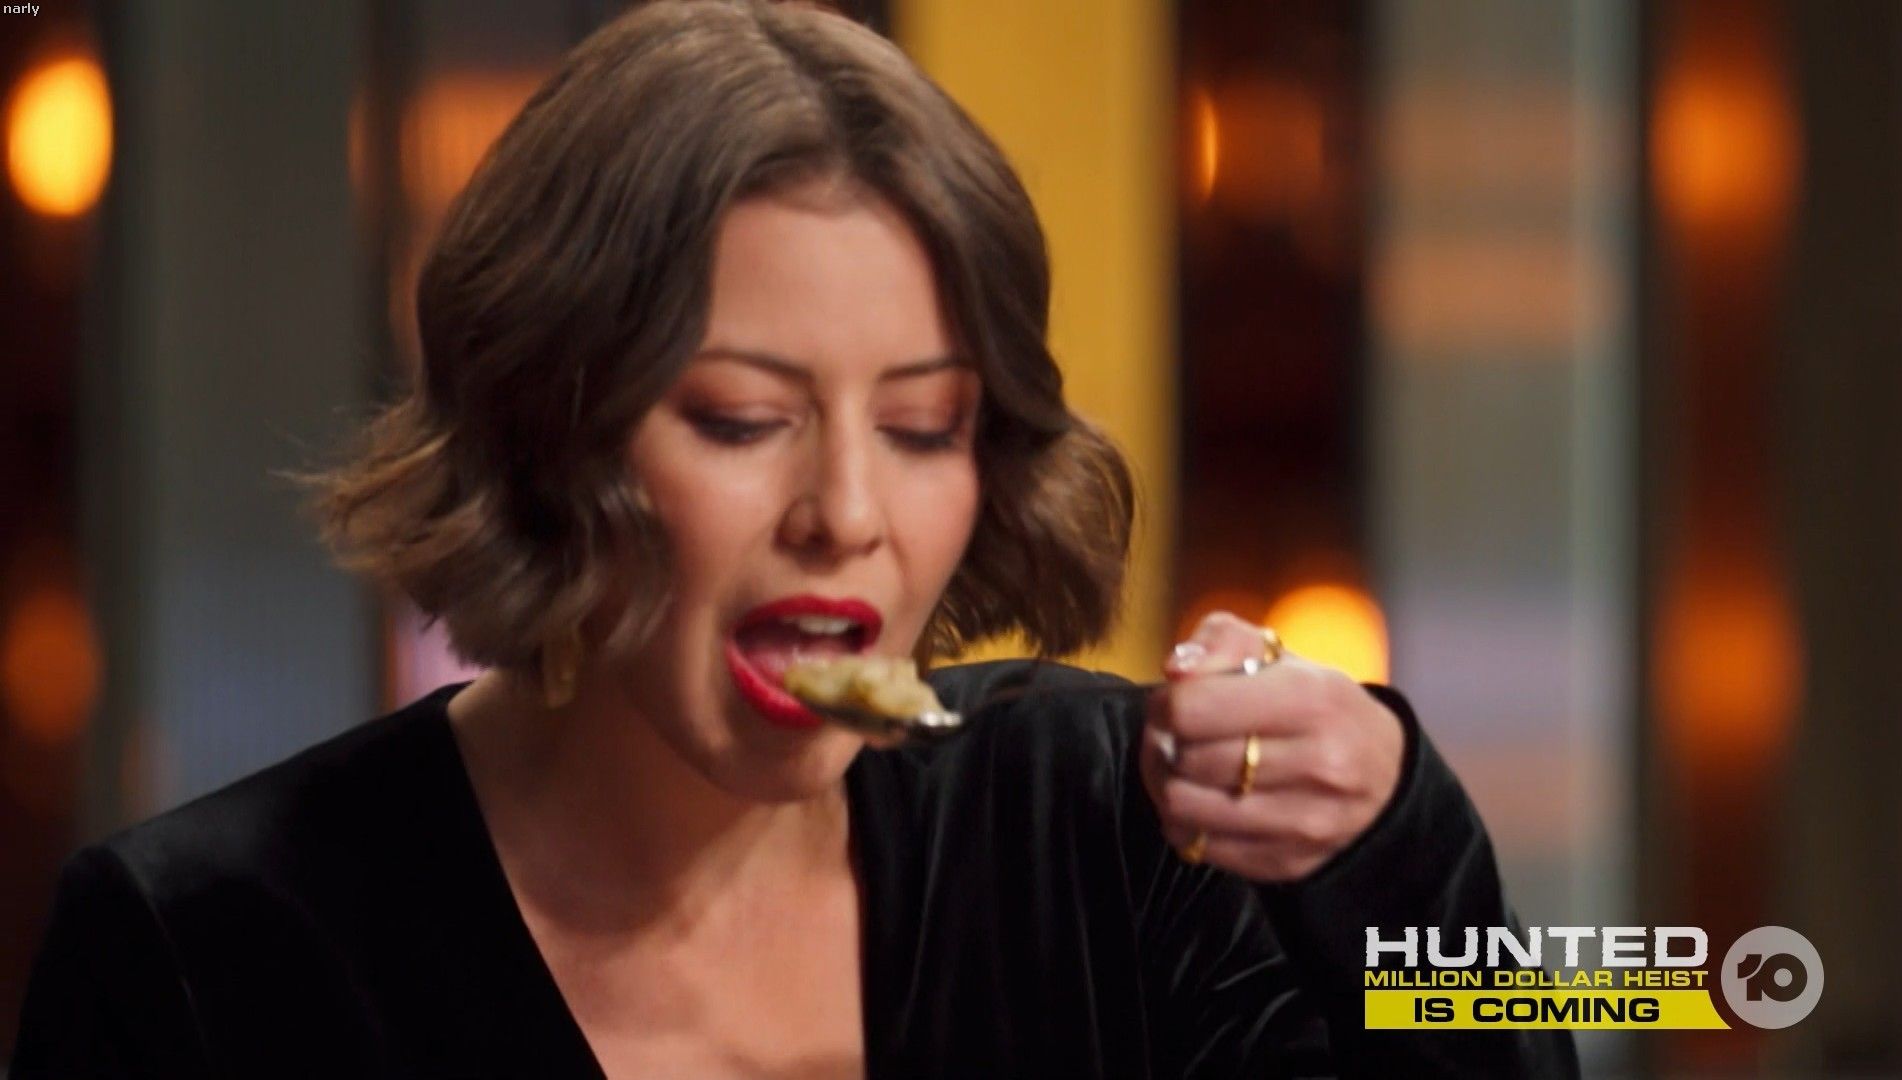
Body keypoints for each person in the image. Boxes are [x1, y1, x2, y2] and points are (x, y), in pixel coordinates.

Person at [10, 1, 1577, 1076]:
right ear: (551, 430)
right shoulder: (206, 954)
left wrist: (1396, 850)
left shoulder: (1108, 832)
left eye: (924, 427)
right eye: (744, 419)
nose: (849, 514)